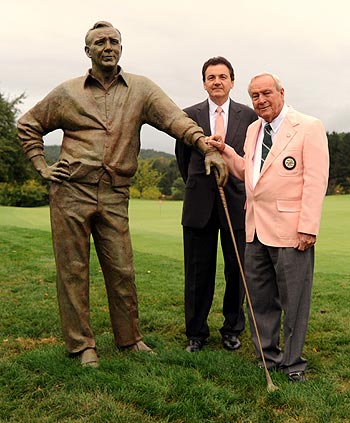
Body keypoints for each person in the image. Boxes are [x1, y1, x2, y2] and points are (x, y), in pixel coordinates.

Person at [17, 21, 228, 368]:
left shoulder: (141, 90)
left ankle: (129, 339)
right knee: (72, 270)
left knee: (122, 269)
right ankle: (81, 346)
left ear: (121, 48)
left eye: (114, 41)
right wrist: (41, 166)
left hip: (115, 193)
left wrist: (206, 146)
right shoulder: (68, 93)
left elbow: (176, 120)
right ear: (88, 51)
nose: (108, 46)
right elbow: (28, 124)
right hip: (71, 191)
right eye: (99, 42)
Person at [207, 72, 329, 381]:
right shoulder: (252, 130)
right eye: (255, 96)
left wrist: (308, 227)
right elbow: (248, 172)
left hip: (292, 232)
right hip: (255, 230)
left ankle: (293, 364)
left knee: (294, 302)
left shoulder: (308, 127)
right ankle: (268, 356)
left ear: (281, 92)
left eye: (266, 94)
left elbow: (316, 182)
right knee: (259, 300)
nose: (261, 101)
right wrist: (226, 151)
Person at [175, 57, 257, 353]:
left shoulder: (248, 116)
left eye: (223, 76)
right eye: (211, 77)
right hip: (199, 206)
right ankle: (196, 333)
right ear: (204, 83)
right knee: (198, 273)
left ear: (232, 82)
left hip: (237, 204)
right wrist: (201, 185)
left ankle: (232, 329)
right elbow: (183, 162)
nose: (217, 81)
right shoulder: (188, 115)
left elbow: (251, 160)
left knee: (236, 270)